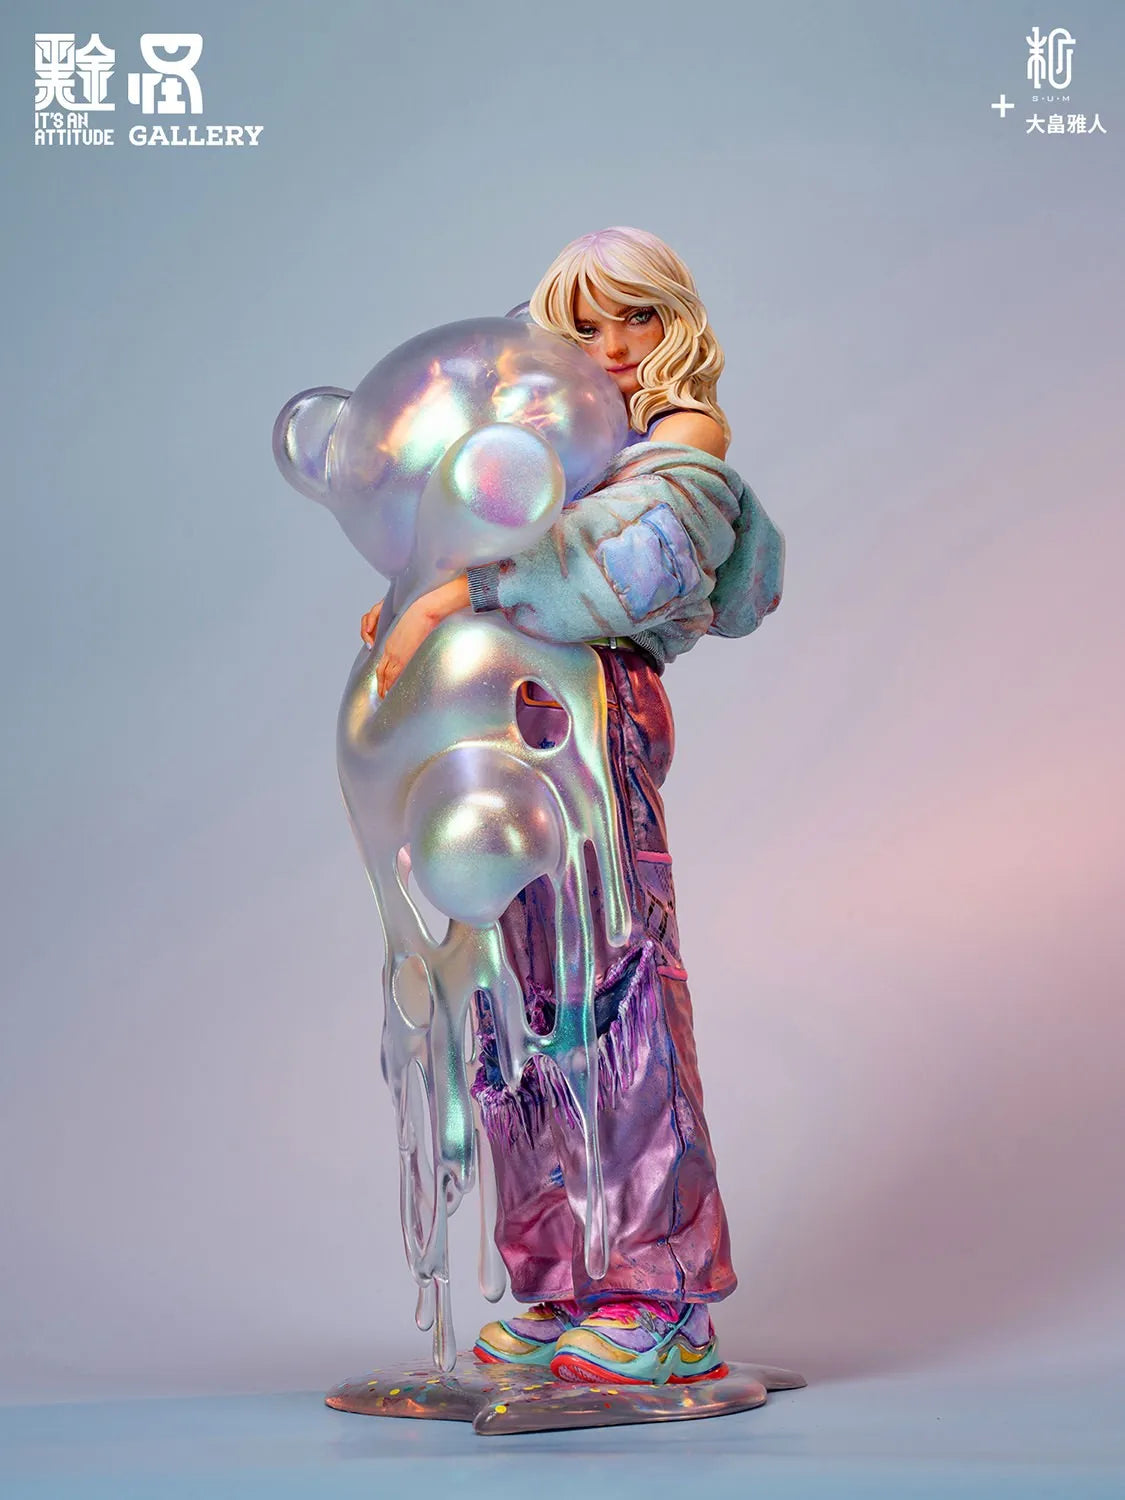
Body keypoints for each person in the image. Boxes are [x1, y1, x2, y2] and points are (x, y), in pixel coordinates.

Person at [360, 228, 783, 1384]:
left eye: (635, 316)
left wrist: (458, 592)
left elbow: (628, 572)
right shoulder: (562, 440)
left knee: (619, 991)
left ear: (674, 320)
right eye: (585, 325)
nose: (613, 345)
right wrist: (425, 590)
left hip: (589, 722)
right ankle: (563, 1275)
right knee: (517, 1006)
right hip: (506, 731)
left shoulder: (682, 441)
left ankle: (665, 1295)